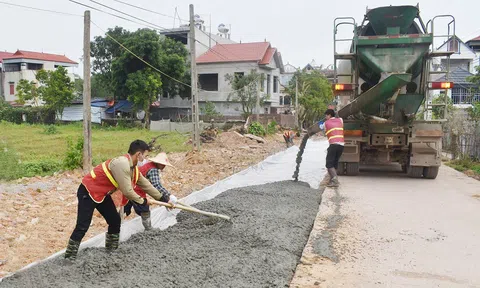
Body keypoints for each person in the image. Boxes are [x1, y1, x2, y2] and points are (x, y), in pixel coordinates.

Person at [64, 140, 177, 260]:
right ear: (139, 155)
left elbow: (146, 185)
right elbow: (127, 191)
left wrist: (164, 199)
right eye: (146, 155)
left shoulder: (133, 168)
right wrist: (143, 201)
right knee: (82, 225)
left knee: (114, 221)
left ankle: (111, 251)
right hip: (88, 191)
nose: (146, 159)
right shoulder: (122, 164)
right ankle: (69, 258)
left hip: (102, 193)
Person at [121, 152, 176, 231]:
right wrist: (168, 196)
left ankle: (116, 224)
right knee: (145, 209)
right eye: (162, 164)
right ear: (158, 163)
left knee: (126, 206)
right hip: (137, 189)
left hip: (130, 186)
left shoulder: (149, 165)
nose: (164, 166)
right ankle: (149, 229)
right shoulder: (153, 170)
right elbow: (156, 185)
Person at [319, 109, 344, 187]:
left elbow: (320, 127)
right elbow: (339, 117)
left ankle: (335, 180)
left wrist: (320, 122)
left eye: (326, 115)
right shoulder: (340, 120)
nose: (325, 117)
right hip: (341, 145)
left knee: (329, 164)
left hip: (333, 145)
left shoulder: (326, 123)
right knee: (335, 163)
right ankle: (332, 180)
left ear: (329, 115)